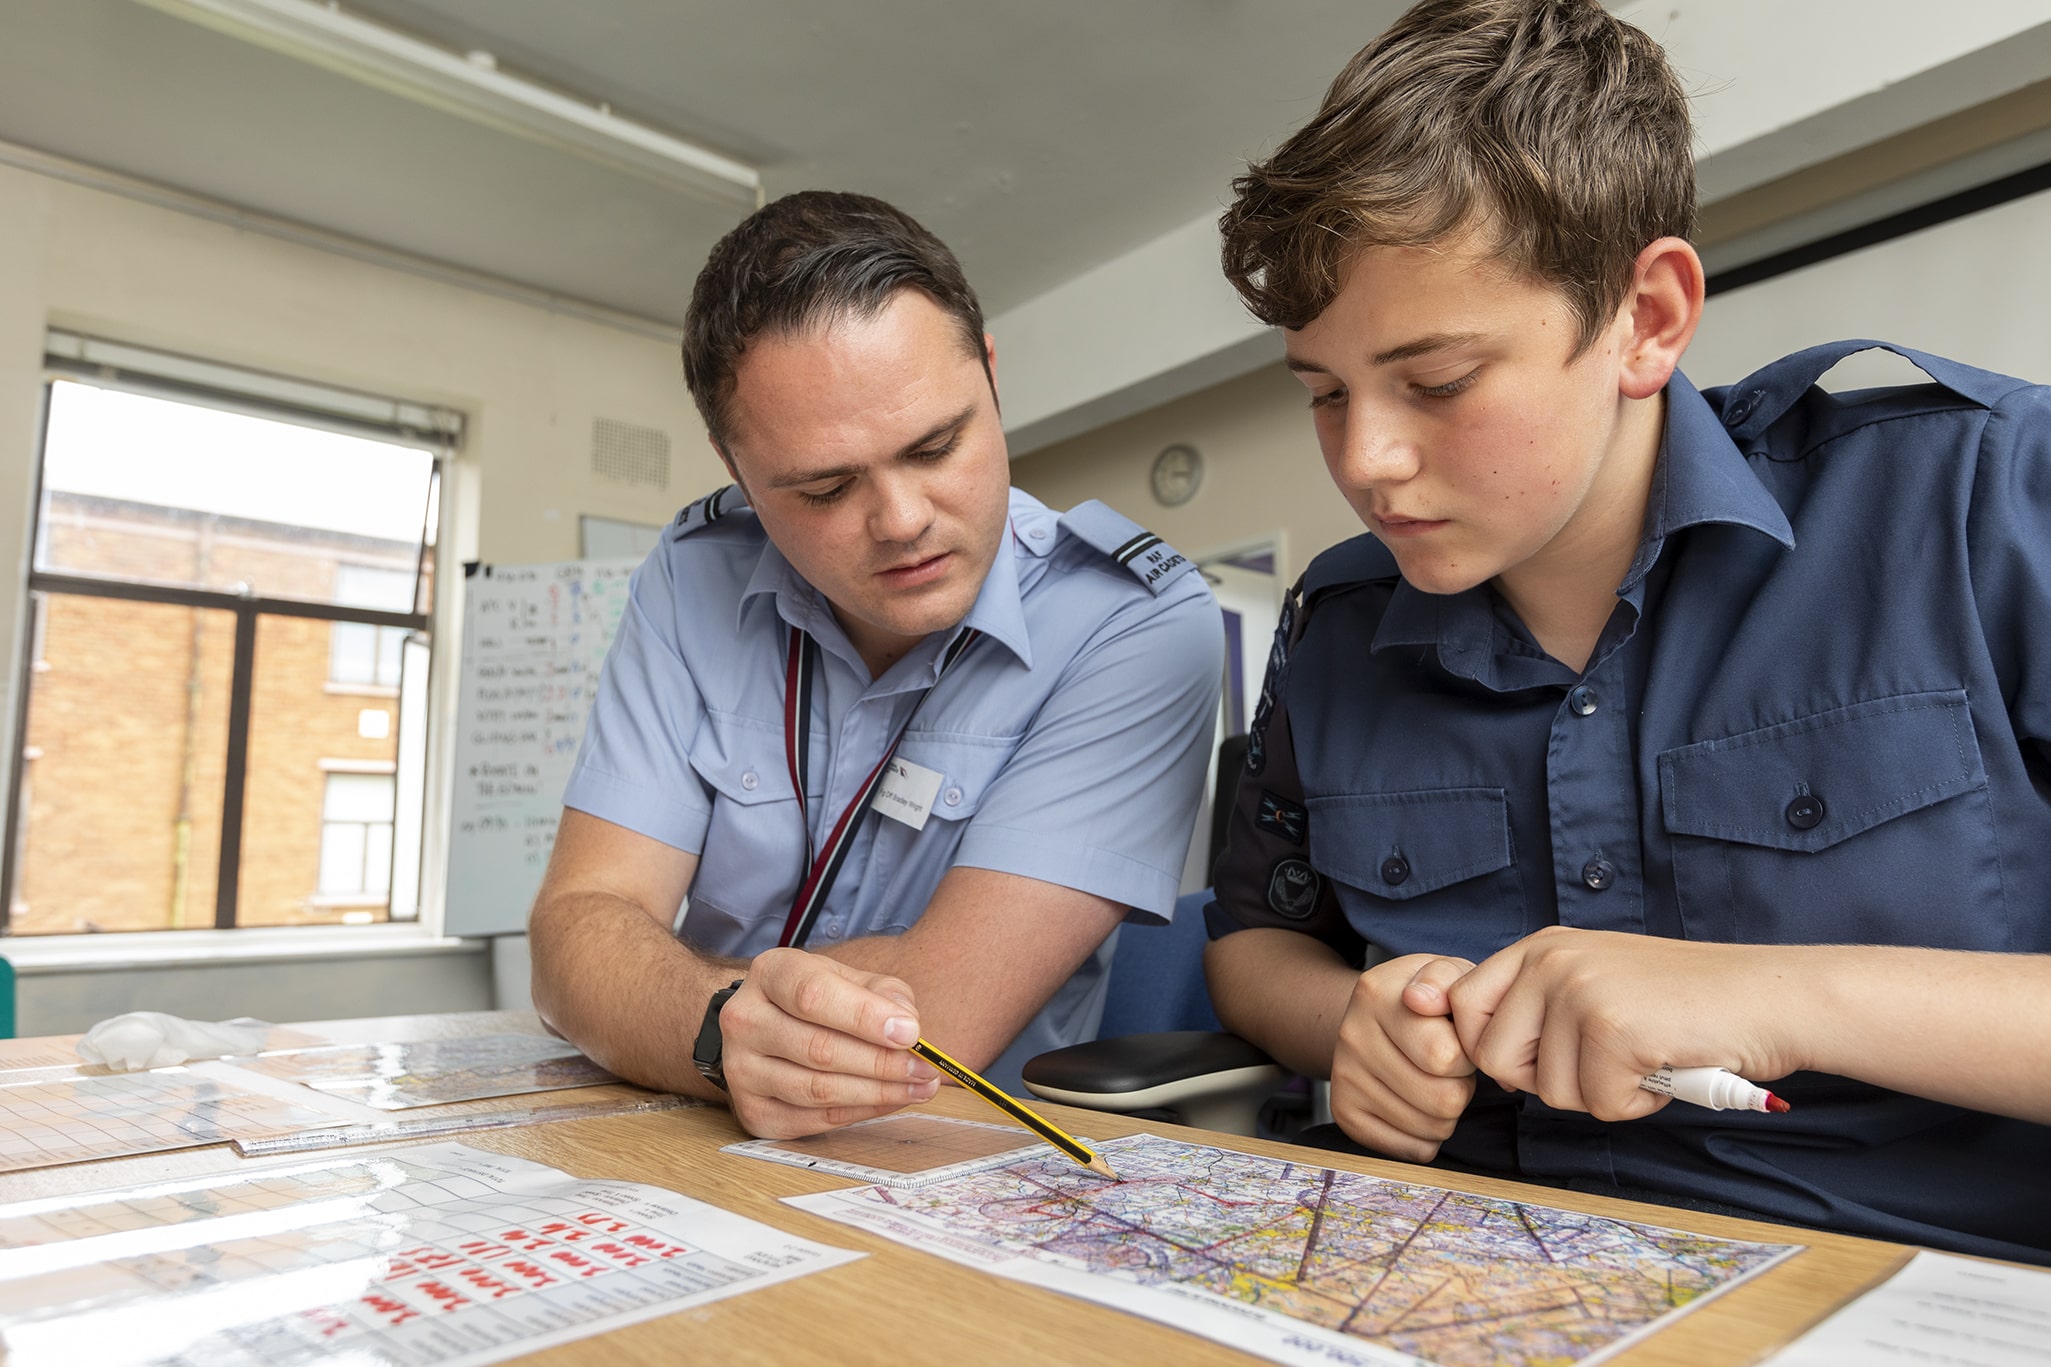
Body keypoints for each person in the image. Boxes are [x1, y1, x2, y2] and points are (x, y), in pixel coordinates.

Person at [1203, 0, 2051, 1262]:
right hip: (1450, 1265)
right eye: (1325, 393)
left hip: (1899, 1281)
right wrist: (1347, 1024)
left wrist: (1775, 995)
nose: (1366, 463)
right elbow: (1256, 937)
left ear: (1646, 319)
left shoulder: (1985, 502)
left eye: (1435, 382)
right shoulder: (1336, 623)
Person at [530, 191, 1223, 1140]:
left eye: (936, 445)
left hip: (951, 1166)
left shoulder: (1134, 622)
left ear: (989, 371)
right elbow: (573, 934)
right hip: (700, 1137)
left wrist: (658, 992)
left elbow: (928, 1028)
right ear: (735, 469)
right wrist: (714, 1027)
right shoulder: (692, 574)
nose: (900, 521)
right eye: (823, 487)